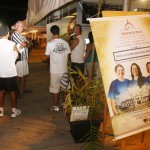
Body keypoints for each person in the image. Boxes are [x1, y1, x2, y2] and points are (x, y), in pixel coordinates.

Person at [45, 25, 71, 112]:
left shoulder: (50, 43)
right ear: (59, 32)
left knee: (55, 88)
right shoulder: (66, 43)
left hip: (54, 70)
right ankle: (65, 105)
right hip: (64, 69)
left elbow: (47, 55)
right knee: (65, 88)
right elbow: (68, 55)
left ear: (52, 33)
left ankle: (56, 106)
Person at [0, 25, 21, 117]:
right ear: (8, 33)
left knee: (1, 92)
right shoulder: (12, 44)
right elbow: (17, 56)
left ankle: (1, 110)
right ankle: (13, 111)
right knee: (13, 92)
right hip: (11, 72)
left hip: (0, 72)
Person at [11, 21, 32, 96]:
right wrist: (26, 44)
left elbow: (29, 44)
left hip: (24, 58)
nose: (22, 27)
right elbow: (25, 44)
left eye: (22, 26)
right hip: (19, 59)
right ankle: (18, 91)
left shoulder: (21, 36)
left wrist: (26, 44)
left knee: (22, 75)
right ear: (16, 27)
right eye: (21, 26)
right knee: (19, 76)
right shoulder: (15, 35)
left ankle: (23, 89)